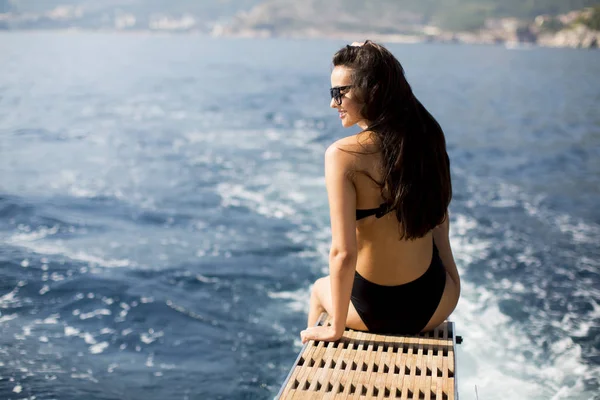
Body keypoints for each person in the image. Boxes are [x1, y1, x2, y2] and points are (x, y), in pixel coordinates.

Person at [300, 41, 461, 344]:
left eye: (339, 93)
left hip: (372, 312)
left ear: (371, 90)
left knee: (319, 289)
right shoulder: (427, 135)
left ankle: (318, 367)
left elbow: (343, 253)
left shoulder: (342, 155)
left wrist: (335, 329)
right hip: (437, 303)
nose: (333, 104)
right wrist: (453, 283)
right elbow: (441, 223)